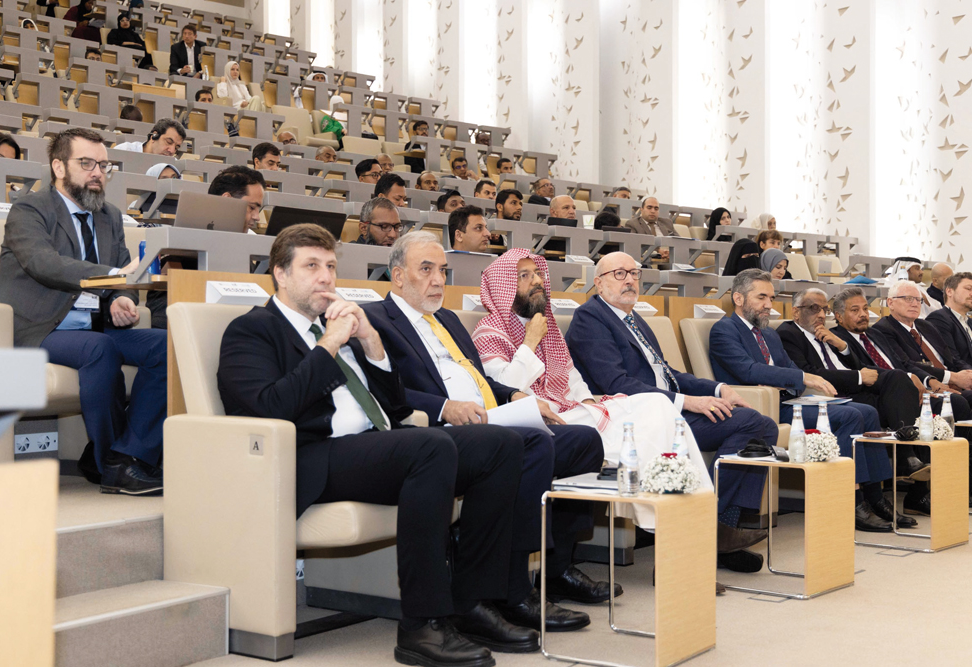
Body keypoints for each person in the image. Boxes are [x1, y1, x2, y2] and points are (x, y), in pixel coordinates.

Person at [217, 223, 540, 664]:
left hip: (375, 445)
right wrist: (329, 344)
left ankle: (471, 603)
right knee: (431, 447)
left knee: (498, 444)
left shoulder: (343, 326)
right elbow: (270, 408)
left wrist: (370, 341)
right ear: (281, 274)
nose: (326, 277)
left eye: (331, 266)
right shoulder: (253, 330)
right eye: (311, 266)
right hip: (312, 457)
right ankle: (421, 624)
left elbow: (397, 405)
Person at [364, 232, 609, 632]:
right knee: (529, 444)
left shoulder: (447, 319)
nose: (438, 280)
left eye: (442, 270)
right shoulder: (376, 320)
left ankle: (555, 568)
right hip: (440, 428)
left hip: (490, 416)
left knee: (583, 441)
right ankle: (511, 589)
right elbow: (383, 389)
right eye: (426, 269)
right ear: (398, 276)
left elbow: (480, 379)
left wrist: (516, 395)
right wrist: (444, 407)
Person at [566, 253, 776, 570]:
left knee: (764, 428)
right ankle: (712, 530)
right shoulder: (590, 319)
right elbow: (615, 383)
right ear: (598, 282)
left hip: (665, 408)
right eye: (619, 273)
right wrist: (688, 402)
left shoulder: (633, 319)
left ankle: (720, 529)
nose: (629, 280)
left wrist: (717, 389)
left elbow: (669, 374)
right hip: (637, 416)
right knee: (749, 423)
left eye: (634, 273)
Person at [0, 127, 165, 495]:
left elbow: (121, 274)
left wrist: (120, 298)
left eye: (104, 165)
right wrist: (113, 277)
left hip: (95, 327)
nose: (98, 173)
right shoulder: (29, 209)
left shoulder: (110, 216)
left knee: (168, 345)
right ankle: (110, 464)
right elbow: (43, 263)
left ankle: (129, 454)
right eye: (87, 163)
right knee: (99, 349)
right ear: (58, 167)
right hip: (40, 328)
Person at [709, 269, 895, 532]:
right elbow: (748, 370)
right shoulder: (724, 330)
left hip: (791, 401)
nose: (768, 305)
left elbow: (790, 369)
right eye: (761, 297)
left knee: (867, 411)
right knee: (850, 416)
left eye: (771, 298)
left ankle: (875, 497)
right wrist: (799, 378)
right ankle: (850, 502)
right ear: (738, 298)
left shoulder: (769, 334)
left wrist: (794, 379)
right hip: (763, 407)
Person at [776, 288, 923, 527]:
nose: (821, 314)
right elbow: (808, 373)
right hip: (820, 397)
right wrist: (858, 377)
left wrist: (842, 346)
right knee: (860, 413)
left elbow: (857, 364)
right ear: (796, 312)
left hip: (847, 392)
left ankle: (878, 496)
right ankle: (856, 503)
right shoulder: (788, 333)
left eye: (824, 309)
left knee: (896, 379)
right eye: (813, 308)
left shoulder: (825, 334)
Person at [828, 286, 972, 515]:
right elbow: (859, 371)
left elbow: (904, 363)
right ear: (838, 315)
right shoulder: (837, 339)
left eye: (865, 308)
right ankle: (910, 468)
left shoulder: (874, 334)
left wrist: (929, 381)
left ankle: (945, 487)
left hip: (906, 391)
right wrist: (906, 379)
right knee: (924, 402)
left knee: (955, 404)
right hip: (878, 396)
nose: (863, 314)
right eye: (855, 310)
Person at [926, 271, 972, 368]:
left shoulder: (969, 322)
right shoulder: (938, 319)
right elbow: (952, 360)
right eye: (968, 289)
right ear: (949, 292)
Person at [207, 165, 265, 233]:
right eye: (252, 207)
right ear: (226, 200)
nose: (257, 217)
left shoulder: (252, 236)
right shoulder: (197, 235)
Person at [114, 118, 185, 156]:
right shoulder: (125, 150)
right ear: (154, 136)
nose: (172, 151)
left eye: (176, 148)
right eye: (168, 142)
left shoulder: (173, 168)